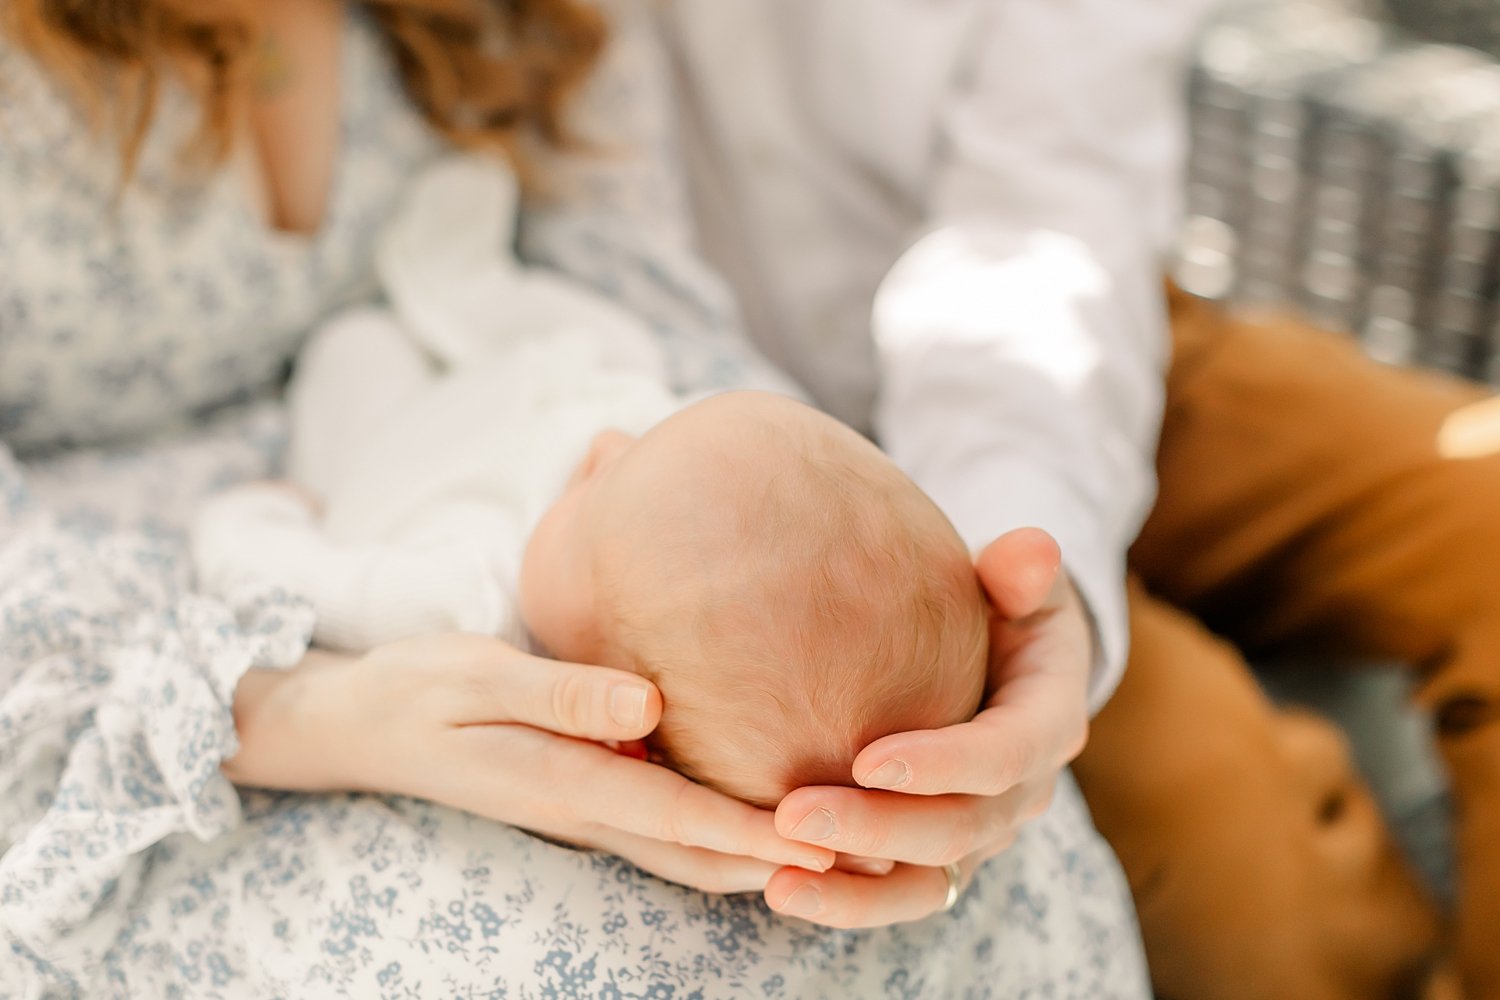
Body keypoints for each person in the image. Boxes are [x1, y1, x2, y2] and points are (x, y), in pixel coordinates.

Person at [0, 0, 1148, 995]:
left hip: (514, 482)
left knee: (1006, 873)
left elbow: (629, 289)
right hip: (99, 654)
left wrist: (885, 608)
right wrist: (287, 708)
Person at [655, 3, 1498, 997]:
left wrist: (1019, 536)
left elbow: (1051, 209)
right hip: (740, 471)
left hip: (1075, 344)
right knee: (1223, 828)